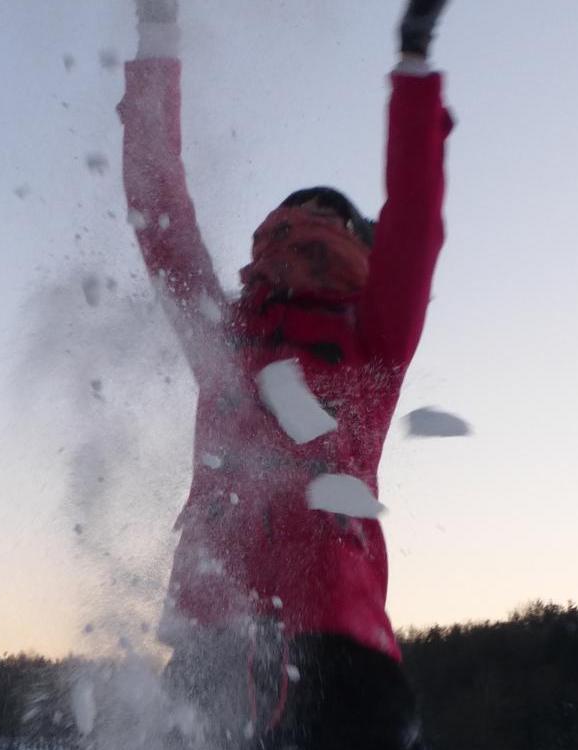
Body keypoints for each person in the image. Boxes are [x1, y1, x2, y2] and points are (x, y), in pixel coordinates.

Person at [118, 1, 451, 747]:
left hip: (256, 651)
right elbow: (418, 220)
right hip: (326, 644)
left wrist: (158, 38)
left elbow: (157, 205)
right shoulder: (369, 340)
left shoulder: (236, 339)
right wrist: (413, 62)